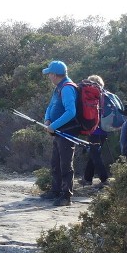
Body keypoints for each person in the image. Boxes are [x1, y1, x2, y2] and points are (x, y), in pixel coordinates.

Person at [41, 60, 80, 206]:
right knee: (55, 163)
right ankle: (55, 191)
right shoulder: (58, 87)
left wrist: (54, 125)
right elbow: (51, 105)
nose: (48, 77)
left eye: (49, 74)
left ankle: (66, 196)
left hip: (67, 132)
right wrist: (47, 120)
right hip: (58, 132)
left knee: (65, 164)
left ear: (55, 75)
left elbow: (71, 112)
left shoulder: (67, 88)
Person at [80, 74, 111, 187]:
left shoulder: (92, 94)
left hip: (93, 130)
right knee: (93, 154)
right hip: (105, 129)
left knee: (95, 155)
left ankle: (104, 180)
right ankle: (87, 179)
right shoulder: (105, 94)